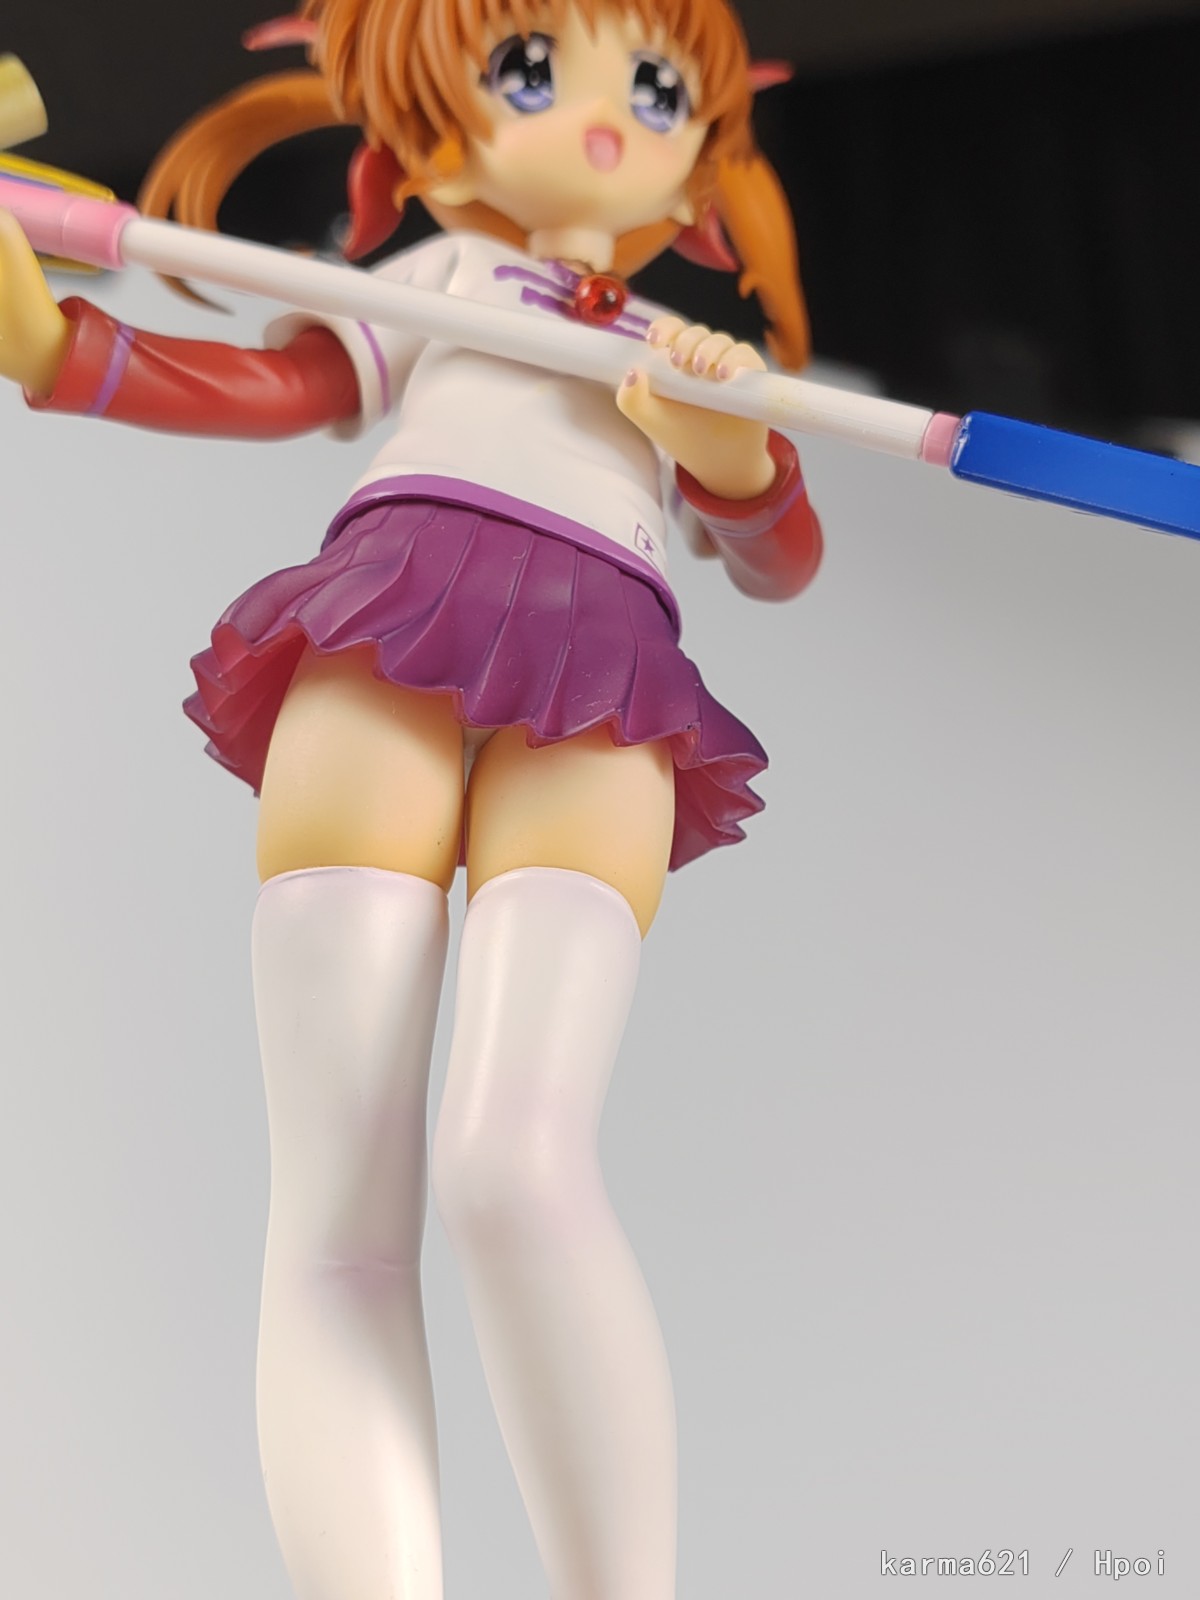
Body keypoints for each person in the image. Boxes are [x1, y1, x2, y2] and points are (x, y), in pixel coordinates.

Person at [0, 2, 823, 1595]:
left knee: (515, 1161)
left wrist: (731, 452)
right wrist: (59, 350)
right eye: (533, 67)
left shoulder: (674, 345)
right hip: (392, 617)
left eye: (658, 88)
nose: (604, 119)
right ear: (432, 110)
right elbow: (278, 382)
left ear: (701, 157)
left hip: (605, 665)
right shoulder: (438, 280)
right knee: (341, 1211)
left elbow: (779, 559)